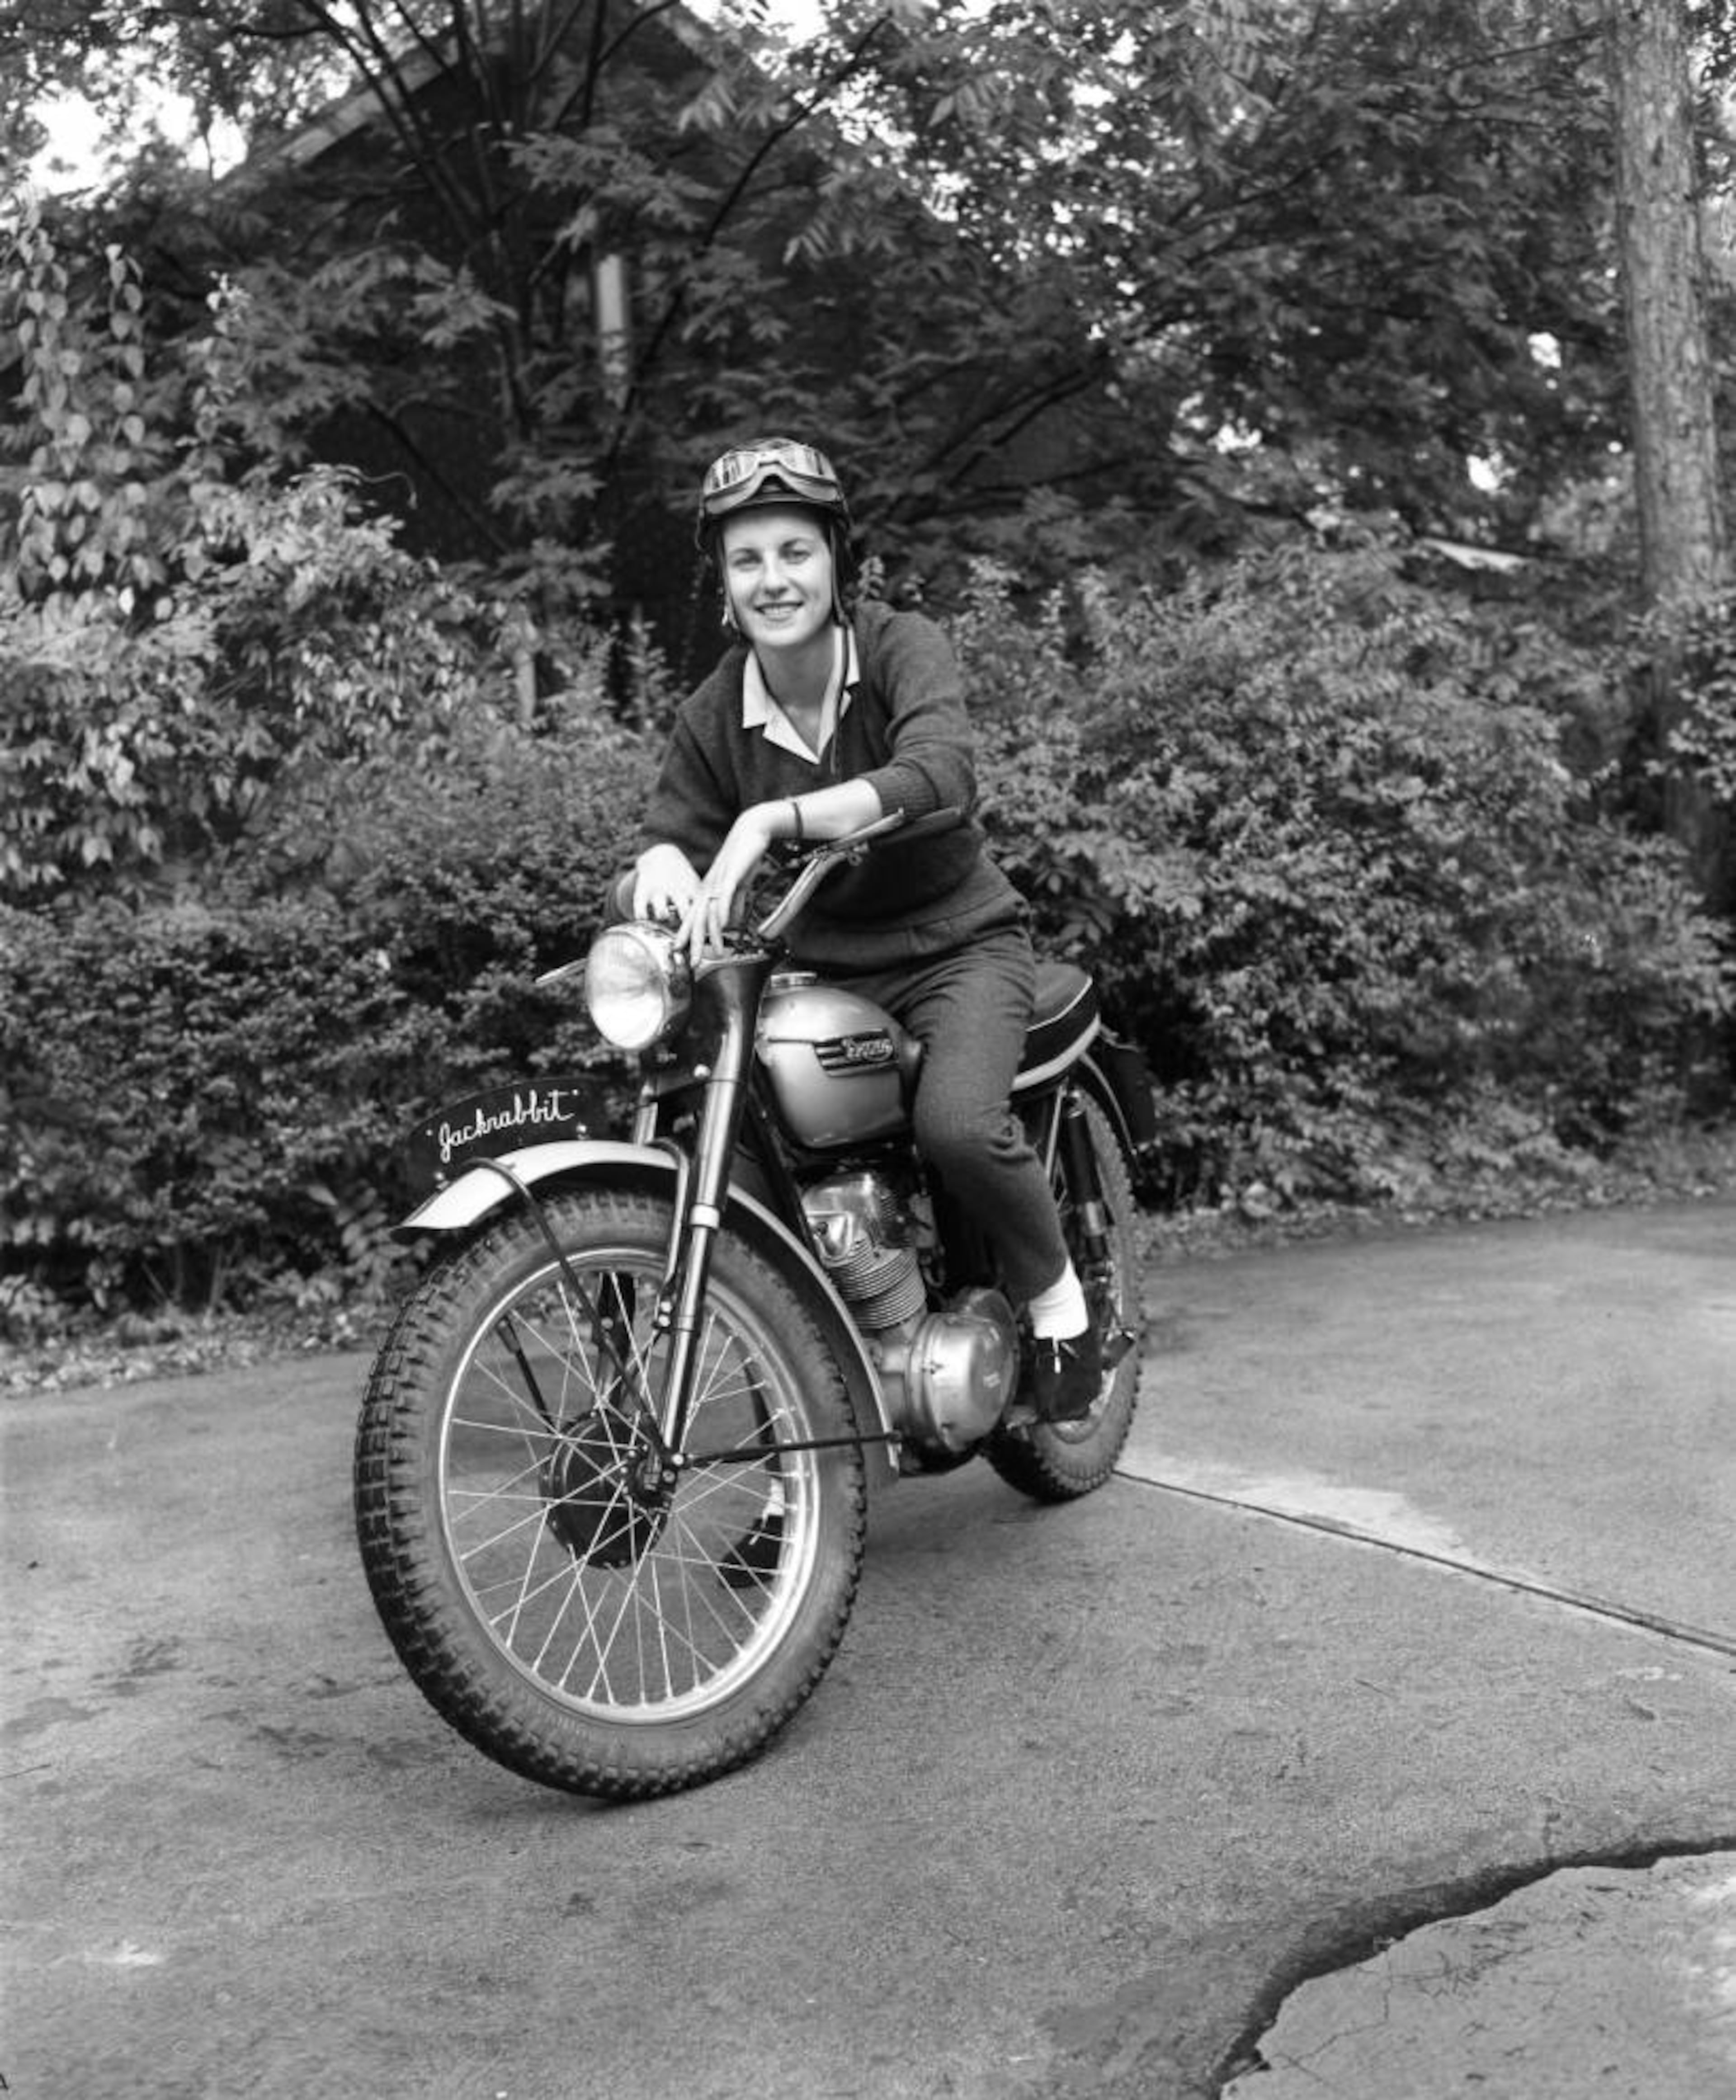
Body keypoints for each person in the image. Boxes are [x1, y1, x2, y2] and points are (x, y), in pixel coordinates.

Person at [622, 436, 1101, 1421]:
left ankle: (1060, 1310)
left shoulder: (895, 648)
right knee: (755, 1189)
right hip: (824, 976)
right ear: (721, 578)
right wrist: (654, 872)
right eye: (747, 559)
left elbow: (941, 775)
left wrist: (773, 818)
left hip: (957, 947)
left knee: (960, 1126)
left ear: (838, 556)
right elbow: (666, 841)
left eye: (795, 552)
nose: (774, 579)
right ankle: (788, 1467)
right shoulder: (713, 715)